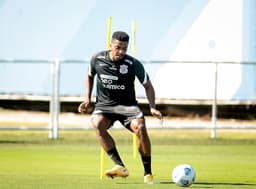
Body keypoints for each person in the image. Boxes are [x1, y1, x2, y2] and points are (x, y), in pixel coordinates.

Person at [78, 31, 162, 184]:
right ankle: (120, 166)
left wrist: (153, 107)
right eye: (118, 48)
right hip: (105, 106)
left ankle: (148, 174)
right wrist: (87, 98)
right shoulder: (97, 59)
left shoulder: (133, 64)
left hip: (128, 107)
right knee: (97, 123)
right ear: (111, 45)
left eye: (125, 48)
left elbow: (148, 86)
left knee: (141, 128)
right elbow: (90, 76)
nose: (121, 52)